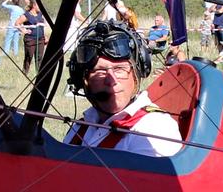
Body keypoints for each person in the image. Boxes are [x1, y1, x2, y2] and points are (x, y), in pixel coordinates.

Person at [62, 21, 181, 158]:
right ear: (83, 80)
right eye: (100, 71)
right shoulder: (82, 126)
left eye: (120, 69)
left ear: (137, 73)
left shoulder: (155, 128)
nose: (111, 81)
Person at [20, 0, 49, 73]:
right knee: (29, 56)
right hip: (30, 39)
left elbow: (41, 27)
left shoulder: (40, 14)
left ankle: (39, 73)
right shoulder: (27, 15)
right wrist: (24, 30)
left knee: (39, 57)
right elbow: (17, 23)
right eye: (39, 5)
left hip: (40, 39)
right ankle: (25, 72)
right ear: (34, 6)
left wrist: (45, 36)